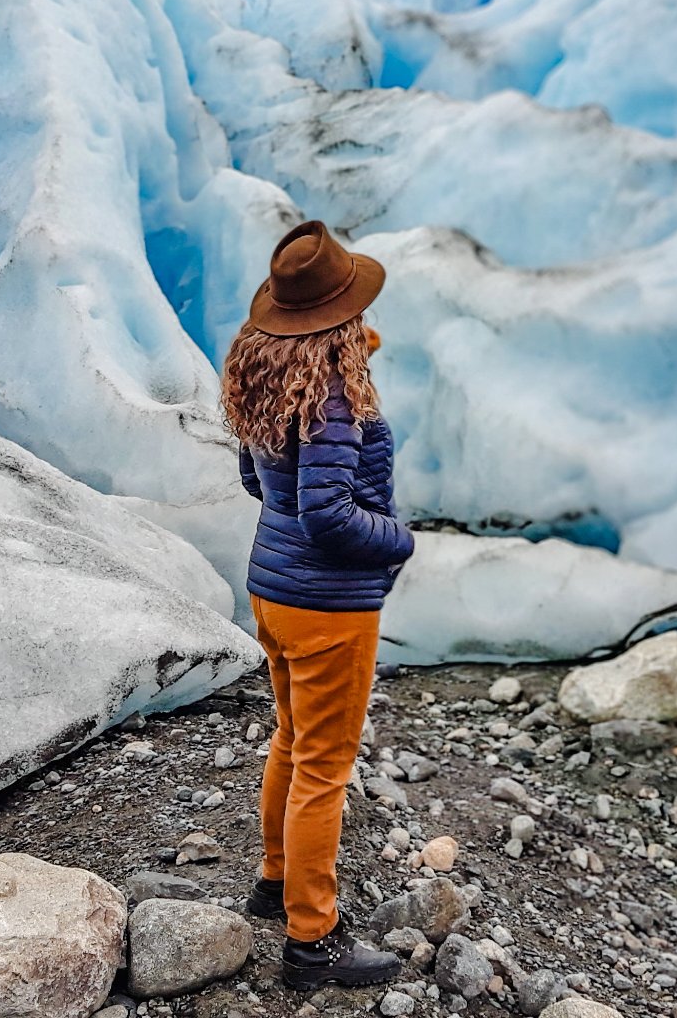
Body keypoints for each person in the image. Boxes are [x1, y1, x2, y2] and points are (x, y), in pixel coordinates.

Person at [220, 219, 416, 991]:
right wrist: (397, 539)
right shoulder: (331, 396)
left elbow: (257, 484)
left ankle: (275, 881)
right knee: (325, 769)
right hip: (329, 608)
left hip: (273, 592)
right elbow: (328, 512)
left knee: (292, 743)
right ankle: (313, 939)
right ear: (338, 317)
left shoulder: (269, 378)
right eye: (355, 311)